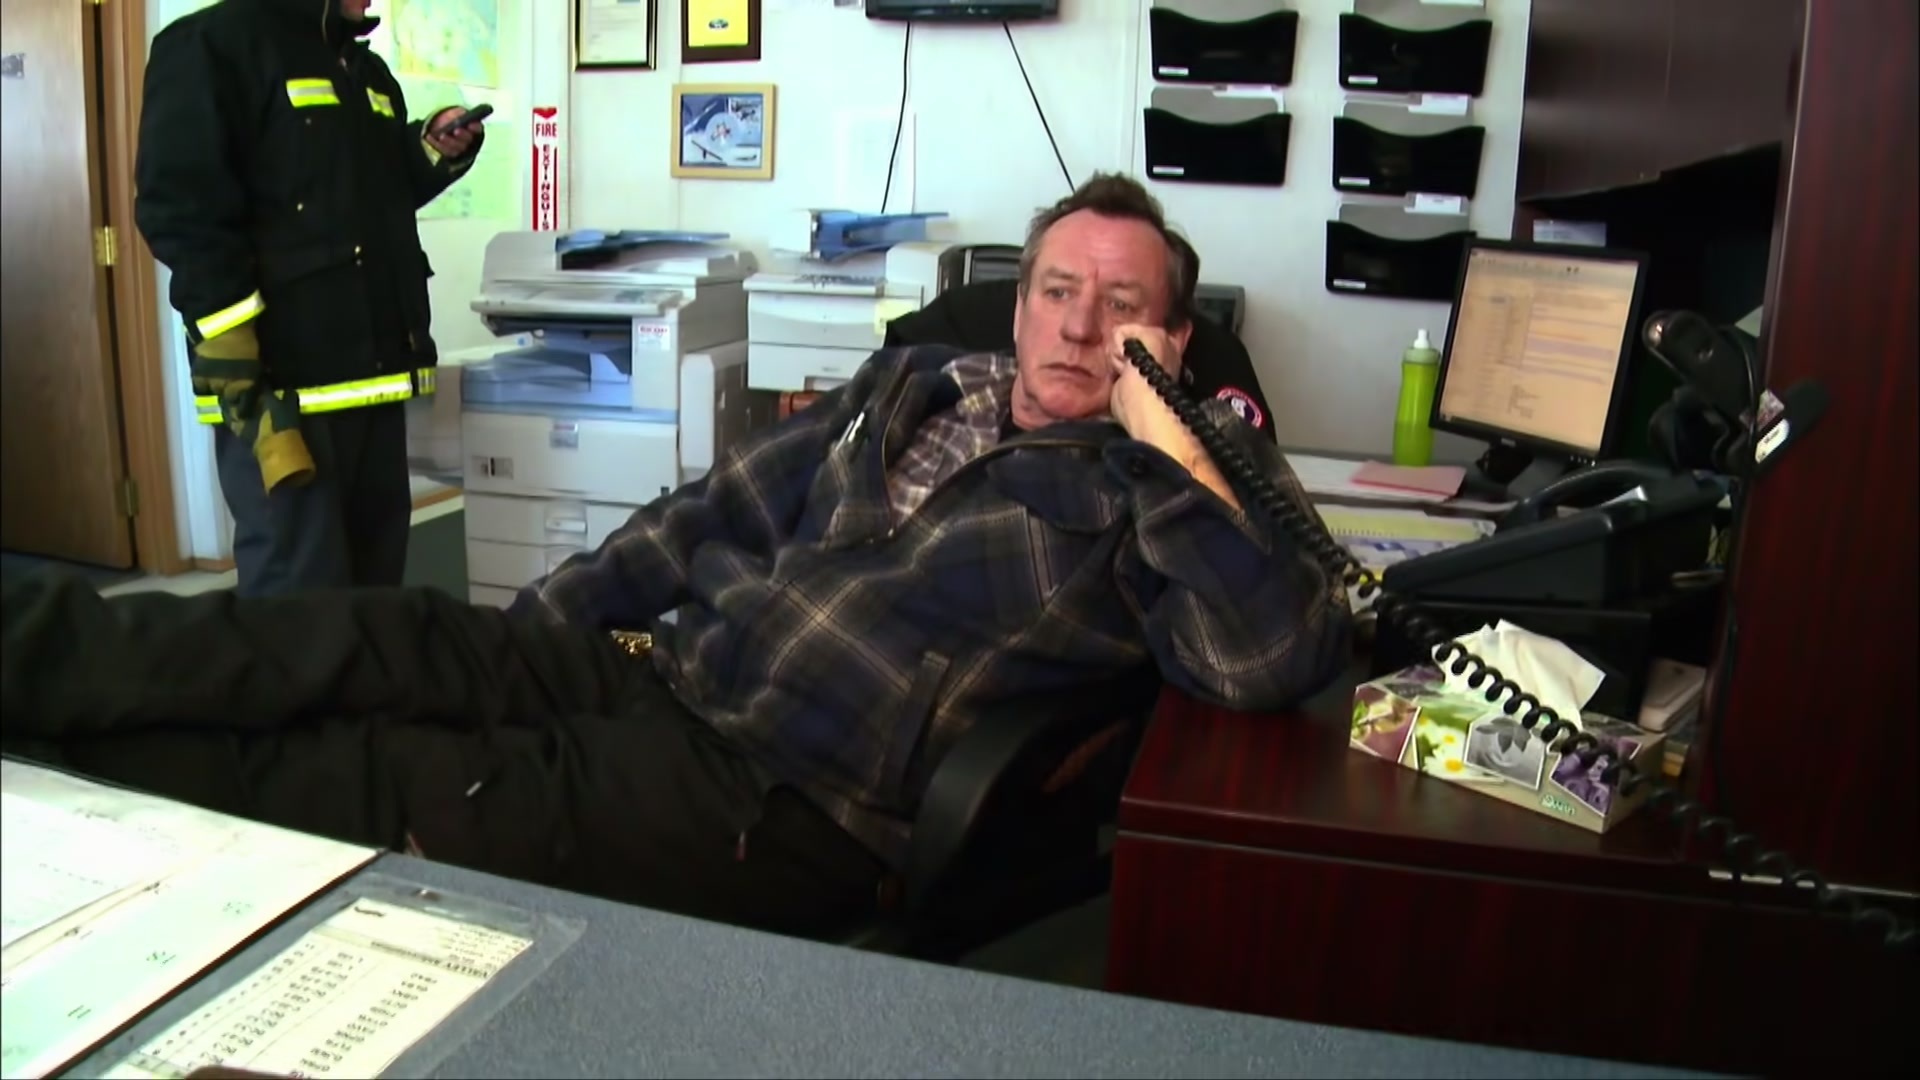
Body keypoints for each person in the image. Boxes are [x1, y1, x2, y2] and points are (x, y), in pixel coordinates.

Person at [3, 174, 1350, 939]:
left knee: (384, 776)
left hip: (790, 796)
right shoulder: (922, 382)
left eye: (1122, 305)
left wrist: (1168, 445)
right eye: (1057, 290)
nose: (1077, 325)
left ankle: (47, 788)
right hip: (668, 670)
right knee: (377, 637)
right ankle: (31, 655)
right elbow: (710, 512)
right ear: (1022, 300)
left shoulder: (1172, 490)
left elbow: (1273, 654)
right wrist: (523, 648)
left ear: (1173, 339)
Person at [135, 0, 485, 595]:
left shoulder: (365, 70)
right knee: (298, 603)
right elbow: (184, 212)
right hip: (282, 391)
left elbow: (371, 196)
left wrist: (429, 150)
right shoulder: (211, 46)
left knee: (377, 590)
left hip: (376, 378)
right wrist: (232, 351)